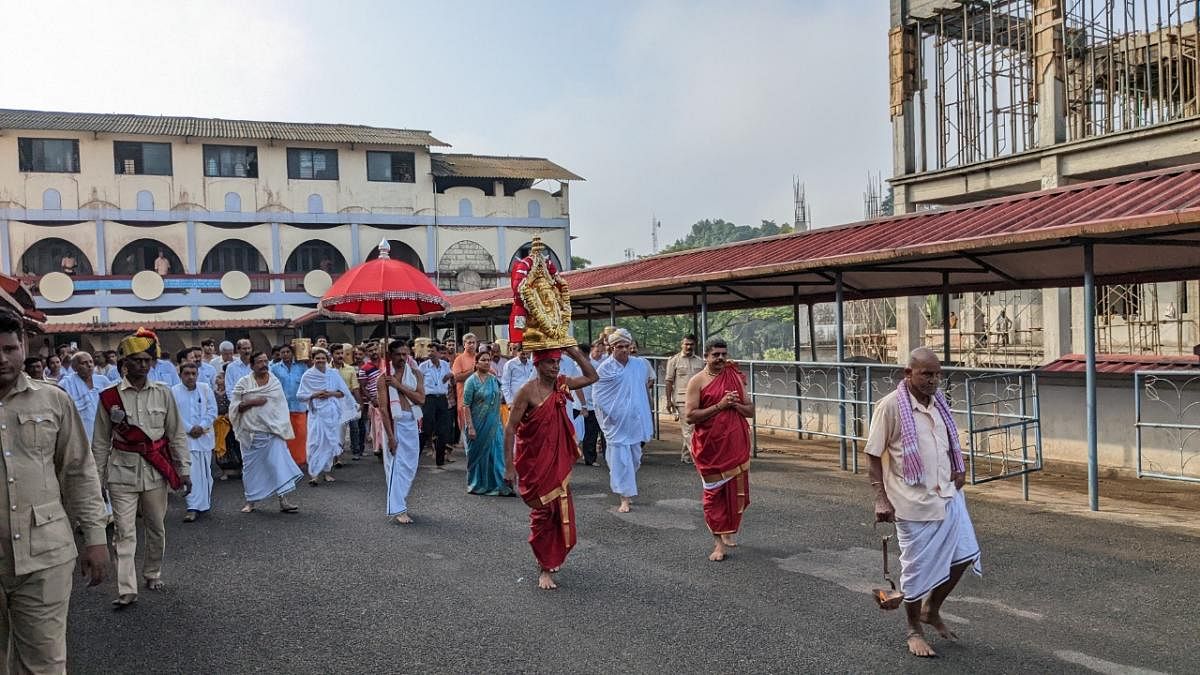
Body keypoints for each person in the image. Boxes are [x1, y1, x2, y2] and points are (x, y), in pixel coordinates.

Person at [0, 310, 110, 672]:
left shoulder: (53, 400)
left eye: (9, 349)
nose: (2, 359)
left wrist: (95, 537)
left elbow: (78, 470)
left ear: (24, 347)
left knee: (45, 663)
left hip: (45, 555)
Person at [866, 347, 982, 658]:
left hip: (948, 494)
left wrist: (960, 466)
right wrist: (880, 498)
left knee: (965, 556)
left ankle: (932, 610)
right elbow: (873, 455)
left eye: (937, 374)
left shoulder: (940, 403)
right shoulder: (890, 407)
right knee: (916, 571)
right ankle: (913, 629)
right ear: (908, 373)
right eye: (926, 374)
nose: (933, 380)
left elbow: (948, 443)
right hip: (911, 502)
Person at [92, 329, 191, 608]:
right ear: (124, 364)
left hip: (155, 473)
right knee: (124, 532)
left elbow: (176, 434)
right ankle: (126, 588)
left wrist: (184, 470)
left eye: (148, 360)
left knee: (156, 527)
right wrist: (97, 480)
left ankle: (152, 572)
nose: (143, 365)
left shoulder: (163, 394)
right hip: (121, 472)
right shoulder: (109, 397)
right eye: (136, 360)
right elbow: (100, 442)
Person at [504, 346, 597, 590]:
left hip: (557, 461)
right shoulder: (527, 391)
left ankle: (550, 560)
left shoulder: (562, 384)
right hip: (534, 460)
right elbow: (510, 428)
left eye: (557, 362)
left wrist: (573, 352)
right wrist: (509, 467)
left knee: (558, 512)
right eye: (550, 363)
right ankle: (543, 567)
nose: (555, 367)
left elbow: (592, 377)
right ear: (537, 365)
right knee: (542, 514)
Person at [684, 338, 754, 562]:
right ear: (706, 356)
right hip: (710, 448)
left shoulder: (734, 376)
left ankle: (729, 529)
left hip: (735, 444)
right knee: (713, 496)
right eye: (715, 354)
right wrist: (719, 406)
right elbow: (690, 415)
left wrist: (735, 406)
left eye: (723, 354)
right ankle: (718, 543)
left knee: (736, 493)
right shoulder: (697, 381)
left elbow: (750, 410)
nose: (721, 358)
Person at [229, 352, 303, 514]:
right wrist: (252, 402)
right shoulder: (244, 382)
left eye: (265, 361)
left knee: (278, 465)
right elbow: (235, 407)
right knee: (250, 468)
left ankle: (284, 500)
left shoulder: (274, 381)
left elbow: (281, 406)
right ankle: (251, 501)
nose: (264, 364)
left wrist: (280, 426)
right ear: (252, 365)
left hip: (272, 433)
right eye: (260, 362)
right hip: (251, 434)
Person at [592, 329, 655, 513]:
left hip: (635, 421)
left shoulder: (639, 365)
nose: (625, 350)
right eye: (620, 347)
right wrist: (615, 413)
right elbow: (599, 396)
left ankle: (627, 488)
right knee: (621, 461)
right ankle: (624, 498)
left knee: (634, 459)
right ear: (611, 348)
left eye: (627, 346)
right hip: (615, 423)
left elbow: (642, 388)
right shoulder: (605, 369)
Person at [379, 339, 425, 524]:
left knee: (410, 465)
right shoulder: (383, 378)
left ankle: (401, 501)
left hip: (411, 421)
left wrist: (399, 386)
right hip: (394, 423)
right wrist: (390, 438)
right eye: (397, 354)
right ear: (390, 355)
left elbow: (421, 399)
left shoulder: (416, 374)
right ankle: (399, 508)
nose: (402, 358)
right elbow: (383, 409)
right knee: (395, 466)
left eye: (405, 354)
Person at [297, 348, 356, 486]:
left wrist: (329, 394)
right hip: (316, 415)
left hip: (331, 414)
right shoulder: (308, 375)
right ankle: (314, 474)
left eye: (323, 358)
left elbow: (343, 393)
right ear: (313, 360)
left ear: (327, 359)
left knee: (329, 442)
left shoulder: (333, 374)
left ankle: (327, 473)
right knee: (314, 443)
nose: (320, 361)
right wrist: (314, 394)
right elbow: (300, 395)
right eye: (317, 358)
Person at [463, 346, 514, 496]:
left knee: (497, 455)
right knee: (479, 457)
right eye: (483, 360)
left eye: (488, 360)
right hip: (477, 425)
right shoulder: (471, 381)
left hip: (494, 425)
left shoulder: (493, 380)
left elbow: (500, 399)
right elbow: (466, 405)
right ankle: (477, 485)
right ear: (476, 363)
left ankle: (500, 486)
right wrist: (470, 427)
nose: (487, 363)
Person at [171, 362, 217, 522]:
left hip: (204, 437)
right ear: (180, 375)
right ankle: (192, 507)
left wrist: (202, 426)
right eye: (187, 373)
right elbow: (174, 415)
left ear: (197, 374)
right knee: (191, 473)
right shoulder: (174, 392)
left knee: (206, 475)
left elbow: (212, 410)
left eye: (193, 373)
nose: (190, 377)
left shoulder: (205, 388)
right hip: (186, 439)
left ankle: (203, 505)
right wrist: (190, 428)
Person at [666, 335, 705, 464]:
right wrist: (668, 401)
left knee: (692, 428)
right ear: (681, 345)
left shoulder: (700, 361)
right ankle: (697, 457)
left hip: (699, 399)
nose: (689, 347)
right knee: (689, 429)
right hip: (682, 399)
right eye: (686, 344)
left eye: (691, 344)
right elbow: (669, 382)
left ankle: (686, 456)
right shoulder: (674, 360)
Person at [60, 352, 112, 445]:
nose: (89, 365)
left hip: (103, 432)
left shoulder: (103, 381)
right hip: (79, 435)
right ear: (74, 367)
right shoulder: (66, 384)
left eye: (91, 362)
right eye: (84, 363)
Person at [270, 343, 308, 470]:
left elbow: (308, 382)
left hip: (300, 406)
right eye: (283, 352)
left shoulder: (302, 367)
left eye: (288, 352)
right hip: (282, 407)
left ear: (292, 353)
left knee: (301, 434)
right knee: (286, 435)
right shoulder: (274, 368)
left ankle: (300, 460)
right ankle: (287, 461)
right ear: (279, 354)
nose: (285, 354)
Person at [417, 342, 454, 468]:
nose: (430, 354)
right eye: (429, 351)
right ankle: (415, 457)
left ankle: (440, 461)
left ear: (438, 353)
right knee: (426, 429)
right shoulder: (423, 366)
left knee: (443, 430)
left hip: (442, 398)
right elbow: (418, 382)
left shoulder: (445, 364)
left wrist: (449, 377)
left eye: (433, 351)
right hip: (429, 399)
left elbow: (449, 378)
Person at [331, 344, 361, 466]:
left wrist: (359, 403)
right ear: (331, 354)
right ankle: (336, 457)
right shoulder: (326, 369)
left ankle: (351, 451)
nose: (340, 356)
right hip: (331, 402)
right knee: (334, 429)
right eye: (337, 353)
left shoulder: (350, 369)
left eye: (341, 353)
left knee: (348, 429)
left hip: (347, 402)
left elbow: (355, 388)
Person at [579, 340, 606, 466]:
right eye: (597, 351)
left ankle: (595, 457)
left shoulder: (596, 365)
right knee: (584, 432)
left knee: (594, 431)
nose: (600, 353)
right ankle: (585, 455)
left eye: (601, 351)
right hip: (578, 402)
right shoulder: (576, 365)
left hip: (594, 401)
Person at [451, 333, 479, 450]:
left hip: (480, 400)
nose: (472, 345)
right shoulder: (459, 359)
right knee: (467, 432)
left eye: (473, 342)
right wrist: (473, 371)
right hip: (465, 400)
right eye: (469, 343)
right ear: (464, 345)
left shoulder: (479, 357)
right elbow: (457, 378)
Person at [501, 348, 535, 416]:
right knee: (515, 424)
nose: (525, 356)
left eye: (527, 354)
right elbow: (505, 384)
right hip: (515, 402)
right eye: (523, 354)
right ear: (518, 352)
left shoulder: (532, 364)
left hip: (530, 401)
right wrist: (509, 402)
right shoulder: (510, 364)